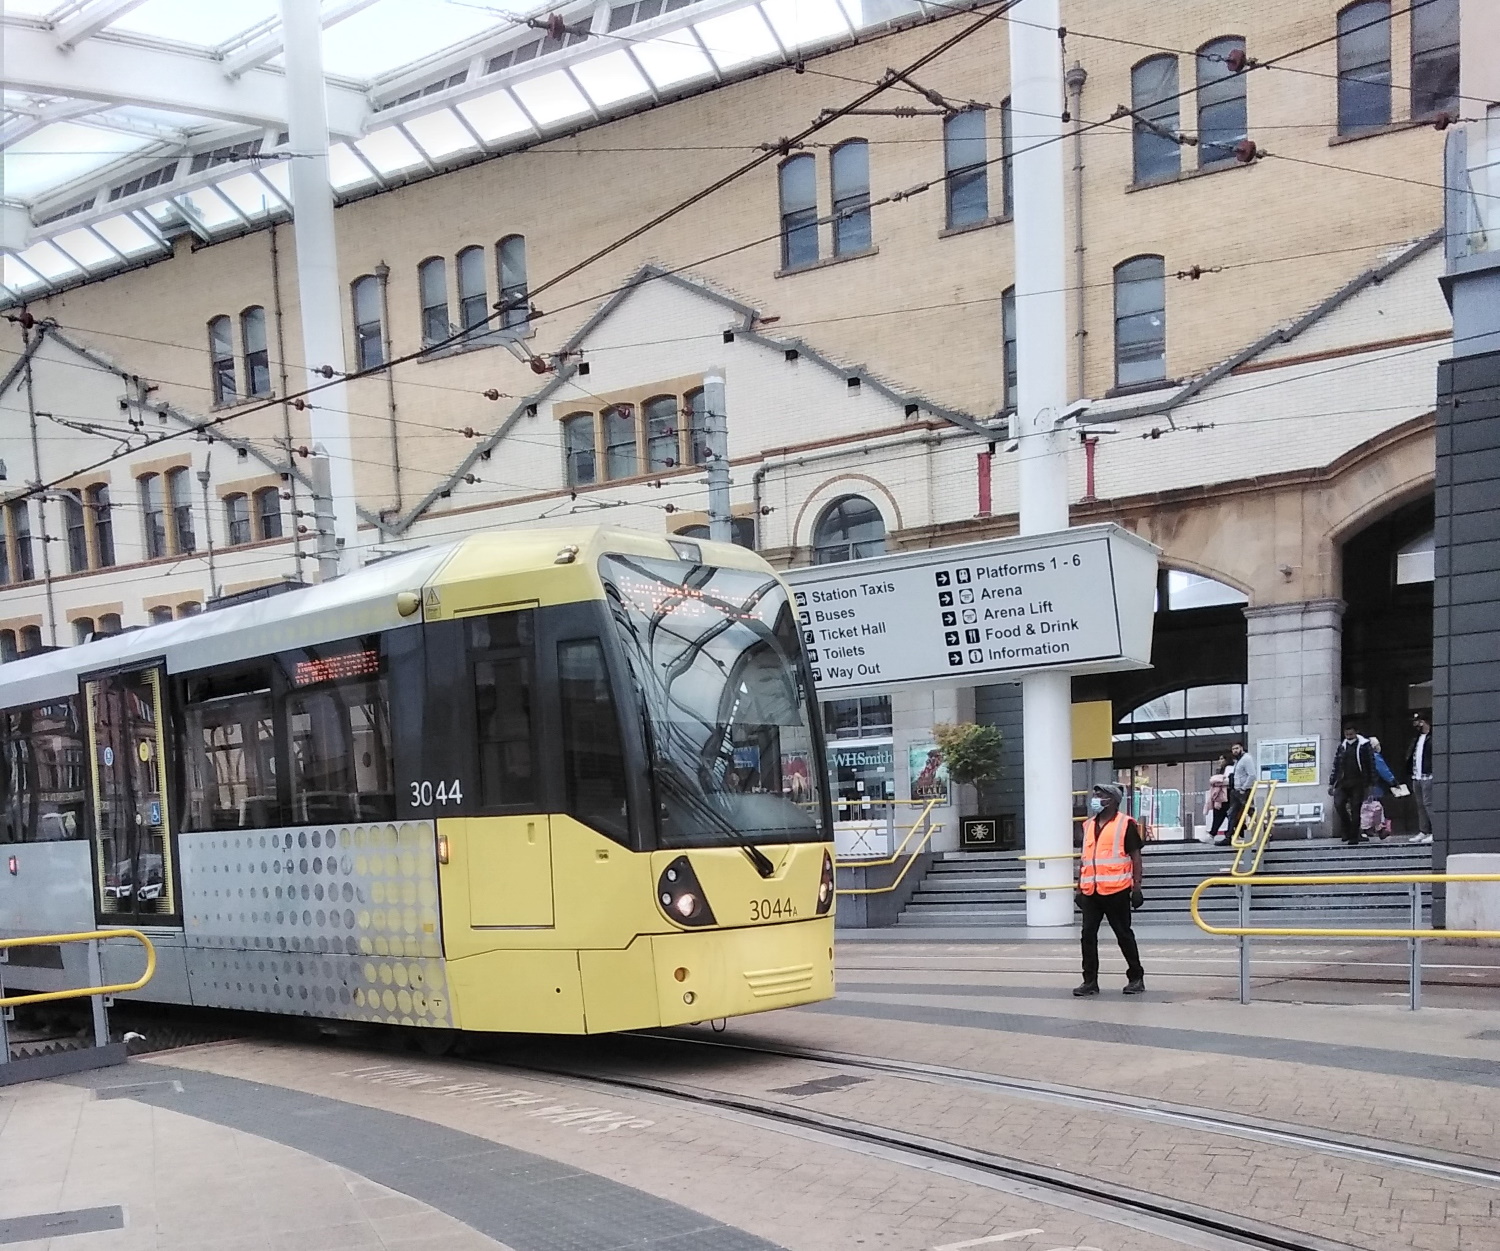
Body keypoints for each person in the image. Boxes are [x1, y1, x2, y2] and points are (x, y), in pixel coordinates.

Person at [1074, 783, 1145, 997]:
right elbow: (1085, 859)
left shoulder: (1125, 824)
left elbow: (1136, 857)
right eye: (1095, 794)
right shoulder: (1088, 825)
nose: (1096, 798)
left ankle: (1136, 977)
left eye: (1101, 795)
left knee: (1123, 934)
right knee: (1087, 935)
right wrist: (1079, 888)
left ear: (1113, 800)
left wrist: (1137, 886)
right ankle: (1090, 981)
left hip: (1117, 890)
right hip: (1091, 891)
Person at [1328, 725, 1373, 845]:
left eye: (1351, 734)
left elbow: (1370, 764)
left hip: (1358, 782)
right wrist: (1332, 782)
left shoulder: (1364, 745)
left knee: (1355, 808)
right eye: (1347, 735)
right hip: (1343, 781)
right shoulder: (1342, 746)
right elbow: (1336, 765)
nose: (1349, 737)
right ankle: (1347, 829)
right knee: (1339, 804)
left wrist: (1370, 783)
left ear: (1356, 733)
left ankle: (1354, 836)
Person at [1405, 716, 1434, 844]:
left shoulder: (1432, 738)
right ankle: (1424, 831)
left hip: (1428, 775)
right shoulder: (1416, 738)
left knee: (1429, 803)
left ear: (1424, 722)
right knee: (1420, 805)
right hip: (1417, 776)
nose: (1416, 725)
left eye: (1418, 722)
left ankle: (1435, 831)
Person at [1227, 742, 1257, 837]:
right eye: (1233, 749)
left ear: (1241, 748)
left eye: (1237, 748)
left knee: (1250, 812)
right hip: (1236, 791)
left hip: (1244, 791)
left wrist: (1244, 788)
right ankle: (1229, 836)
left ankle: (1265, 832)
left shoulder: (1246, 759)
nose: (1235, 751)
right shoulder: (1238, 761)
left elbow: (1252, 775)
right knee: (1232, 813)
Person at [1205, 763, 1231, 845]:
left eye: (1222, 758)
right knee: (1225, 816)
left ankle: (1213, 834)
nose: (1220, 761)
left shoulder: (1230, 768)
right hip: (1222, 798)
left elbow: (1226, 781)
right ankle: (1214, 834)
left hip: (1227, 797)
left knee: (1227, 816)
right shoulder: (1222, 770)